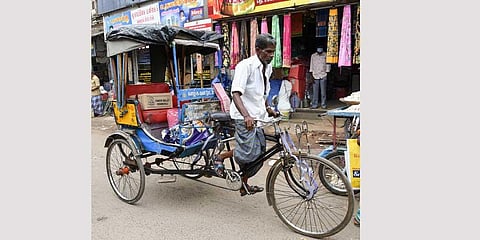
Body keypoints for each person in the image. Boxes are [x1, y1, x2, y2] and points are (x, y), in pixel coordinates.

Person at [213, 33, 279, 196]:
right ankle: (220, 157)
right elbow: (236, 93)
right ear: (258, 50)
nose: (271, 55)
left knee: (258, 152)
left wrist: (268, 107)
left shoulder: (267, 67)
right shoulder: (246, 66)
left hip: (258, 116)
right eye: (268, 52)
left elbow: (261, 93)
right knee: (249, 152)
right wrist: (246, 116)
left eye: (273, 52)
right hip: (244, 116)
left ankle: (243, 184)